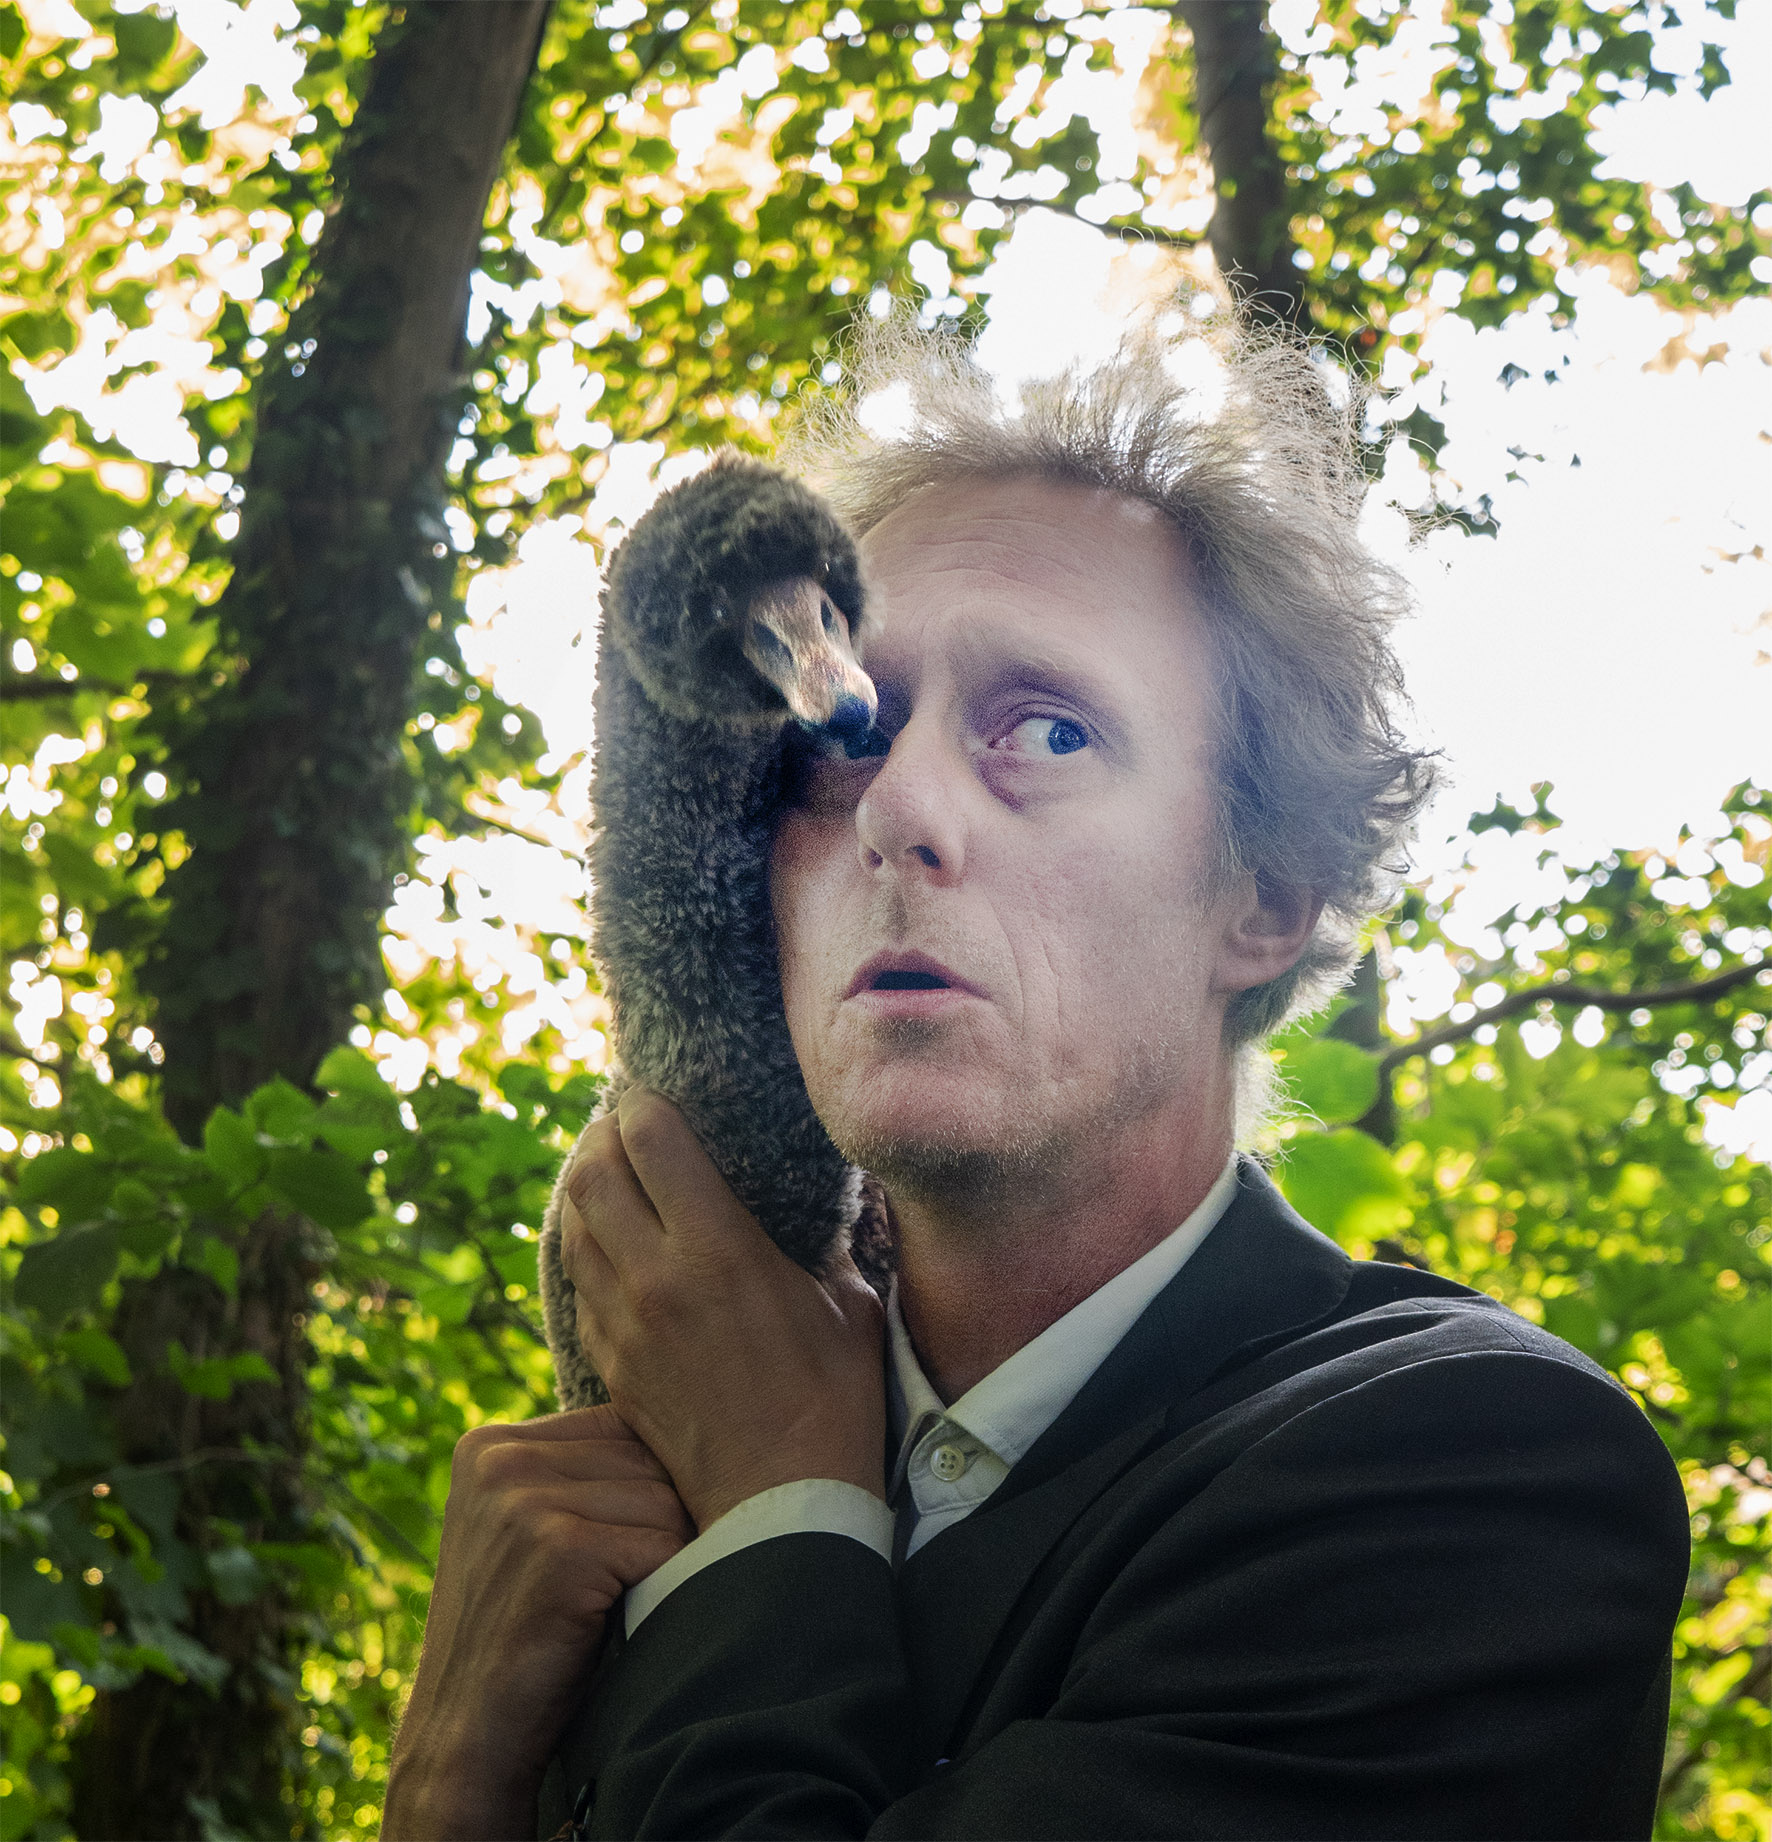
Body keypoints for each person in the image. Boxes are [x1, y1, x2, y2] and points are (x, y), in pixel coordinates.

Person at [381, 308, 1690, 1842]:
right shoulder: (637, 1465)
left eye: (1050, 731)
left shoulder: (1475, 1468)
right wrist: (447, 1780)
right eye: (844, 738)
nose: (900, 809)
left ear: (1263, 896)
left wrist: (772, 1517)